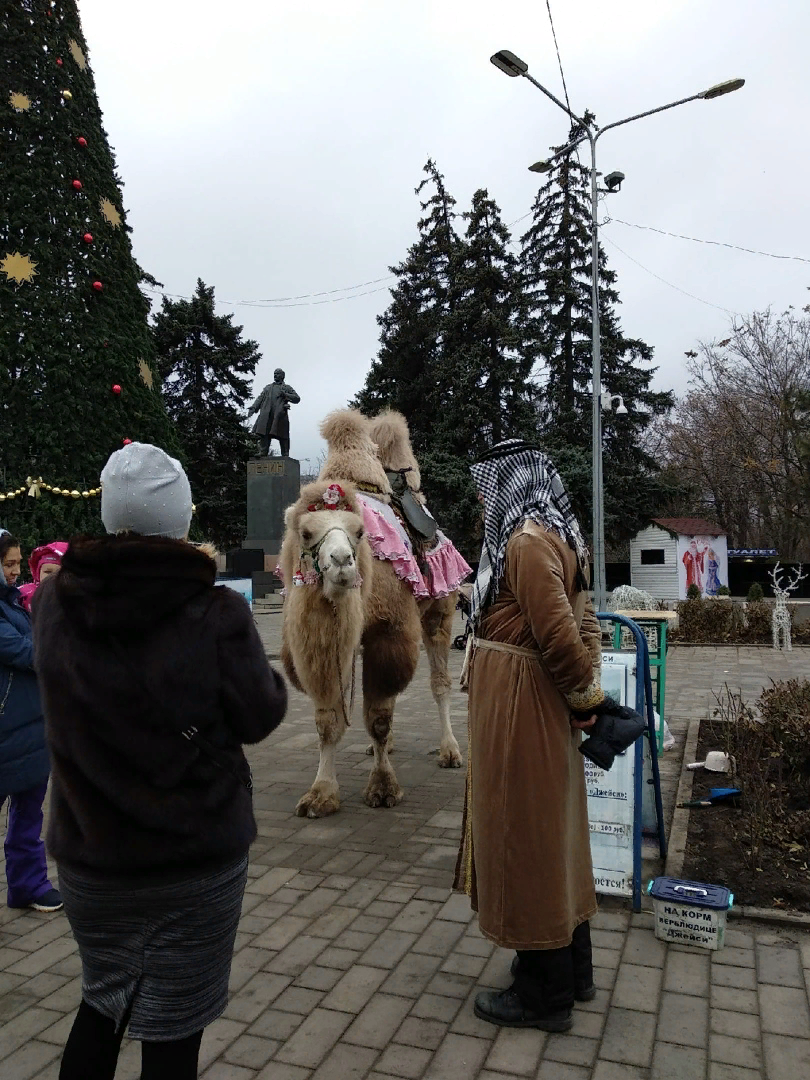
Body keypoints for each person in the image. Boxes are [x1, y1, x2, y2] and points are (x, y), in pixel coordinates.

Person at [32, 443, 288, 1080]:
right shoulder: (216, 612)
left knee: (102, 1003)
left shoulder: (51, 604)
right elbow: (260, 715)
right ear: (181, 520)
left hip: (91, 859)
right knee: (174, 1030)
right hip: (191, 864)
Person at [454, 440, 604, 1032]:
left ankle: (544, 995)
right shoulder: (559, 538)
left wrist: (585, 697)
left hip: (523, 708)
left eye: (488, 487)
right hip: (533, 704)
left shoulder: (525, 542)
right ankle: (574, 971)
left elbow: (562, 633)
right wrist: (583, 692)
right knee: (553, 831)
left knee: (527, 835)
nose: (482, 501)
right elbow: (584, 620)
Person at [0, 529, 62, 913]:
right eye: (7, 563)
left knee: (28, 815)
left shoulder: (14, 601)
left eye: (18, 563)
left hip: (31, 729)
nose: (15, 571)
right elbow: (22, 650)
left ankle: (28, 885)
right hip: (5, 730)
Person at [248, 367, 300, 457]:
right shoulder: (268, 388)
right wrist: (254, 407)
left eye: (277, 374)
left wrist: (285, 394)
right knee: (265, 433)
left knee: (283, 435)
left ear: (282, 376)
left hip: (279, 414)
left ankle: (285, 453)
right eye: (274, 374)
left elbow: (297, 398)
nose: (275, 375)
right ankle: (263, 452)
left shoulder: (286, 388)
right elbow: (260, 398)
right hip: (267, 414)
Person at [19, 541, 68, 612]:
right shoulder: (23, 596)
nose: (53, 577)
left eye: (59, 572)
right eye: (48, 572)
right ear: (38, 574)